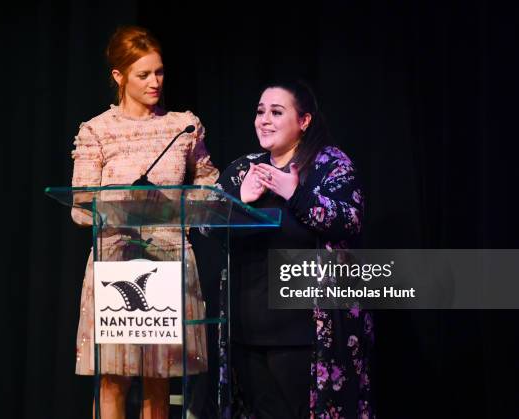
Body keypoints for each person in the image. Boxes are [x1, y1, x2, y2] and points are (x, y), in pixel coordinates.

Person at [69, 25, 219, 419]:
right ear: (118, 76)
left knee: (159, 377)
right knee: (113, 377)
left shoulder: (183, 126)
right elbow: (80, 207)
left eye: (160, 72)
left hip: (168, 258)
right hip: (116, 261)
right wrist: (122, 203)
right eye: (144, 74)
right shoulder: (97, 131)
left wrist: (196, 204)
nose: (156, 82)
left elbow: (207, 183)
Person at [215, 79, 375, 418]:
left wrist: (296, 193)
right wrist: (240, 200)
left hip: (304, 335)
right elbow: (205, 224)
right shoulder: (245, 168)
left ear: (304, 121)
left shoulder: (330, 165)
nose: (264, 120)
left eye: (276, 112)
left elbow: (350, 220)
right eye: (260, 112)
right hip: (247, 330)